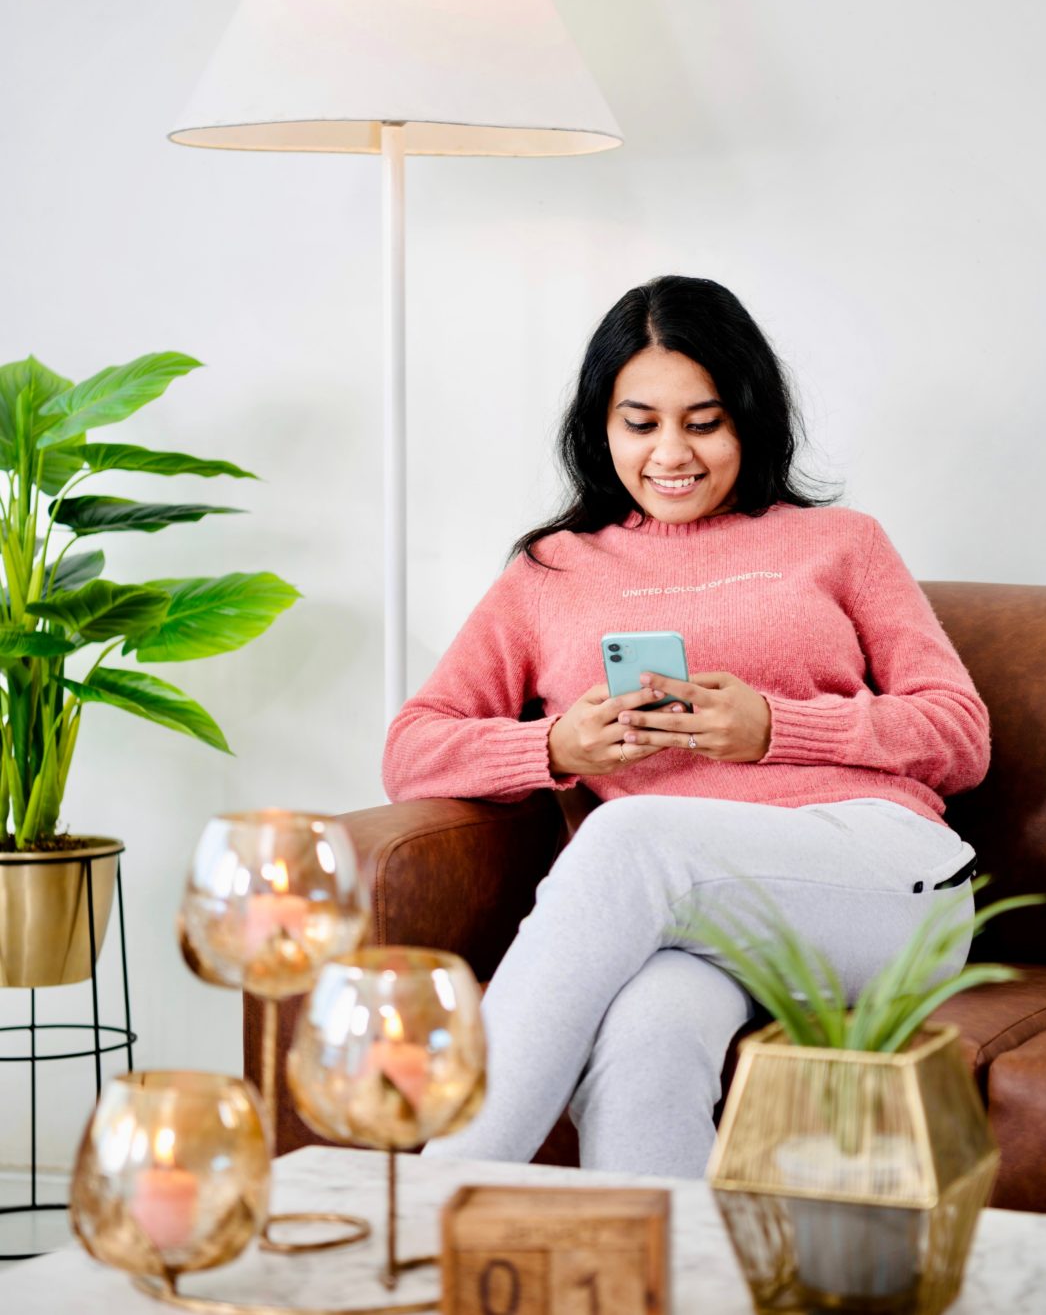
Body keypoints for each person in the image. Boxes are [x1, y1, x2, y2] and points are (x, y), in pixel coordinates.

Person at [383, 273, 989, 1178]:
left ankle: (431, 1207)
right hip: (690, 918)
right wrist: (552, 747)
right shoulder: (550, 572)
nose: (673, 452)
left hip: (878, 880)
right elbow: (411, 748)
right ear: (601, 425)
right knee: (646, 1039)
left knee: (631, 837)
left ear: (749, 417)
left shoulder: (845, 544)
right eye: (642, 422)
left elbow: (959, 733)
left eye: (703, 422)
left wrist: (776, 729)